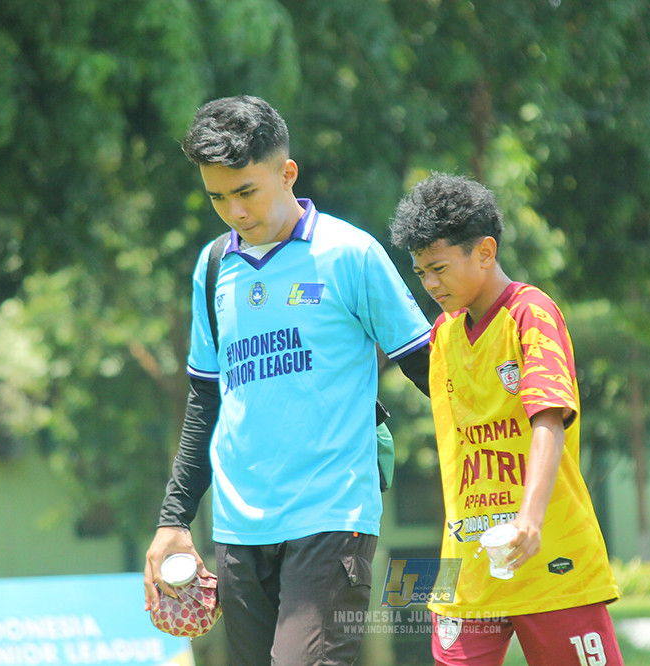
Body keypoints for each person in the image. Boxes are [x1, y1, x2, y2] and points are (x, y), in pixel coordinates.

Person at [144, 95, 431, 666]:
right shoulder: (210, 270)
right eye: (217, 197)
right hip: (237, 526)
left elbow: (429, 367)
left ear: (286, 172)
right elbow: (206, 401)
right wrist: (174, 520)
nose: (234, 211)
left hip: (331, 513)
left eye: (246, 191)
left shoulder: (351, 254)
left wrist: (508, 440)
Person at [390, 173, 623, 666]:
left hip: (550, 559)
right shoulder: (443, 336)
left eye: (438, 268)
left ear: (485, 251)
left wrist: (529, 520)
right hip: (468, 572)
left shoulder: (530, 313)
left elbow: (548, 420)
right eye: (420, 273)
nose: (430, 284)